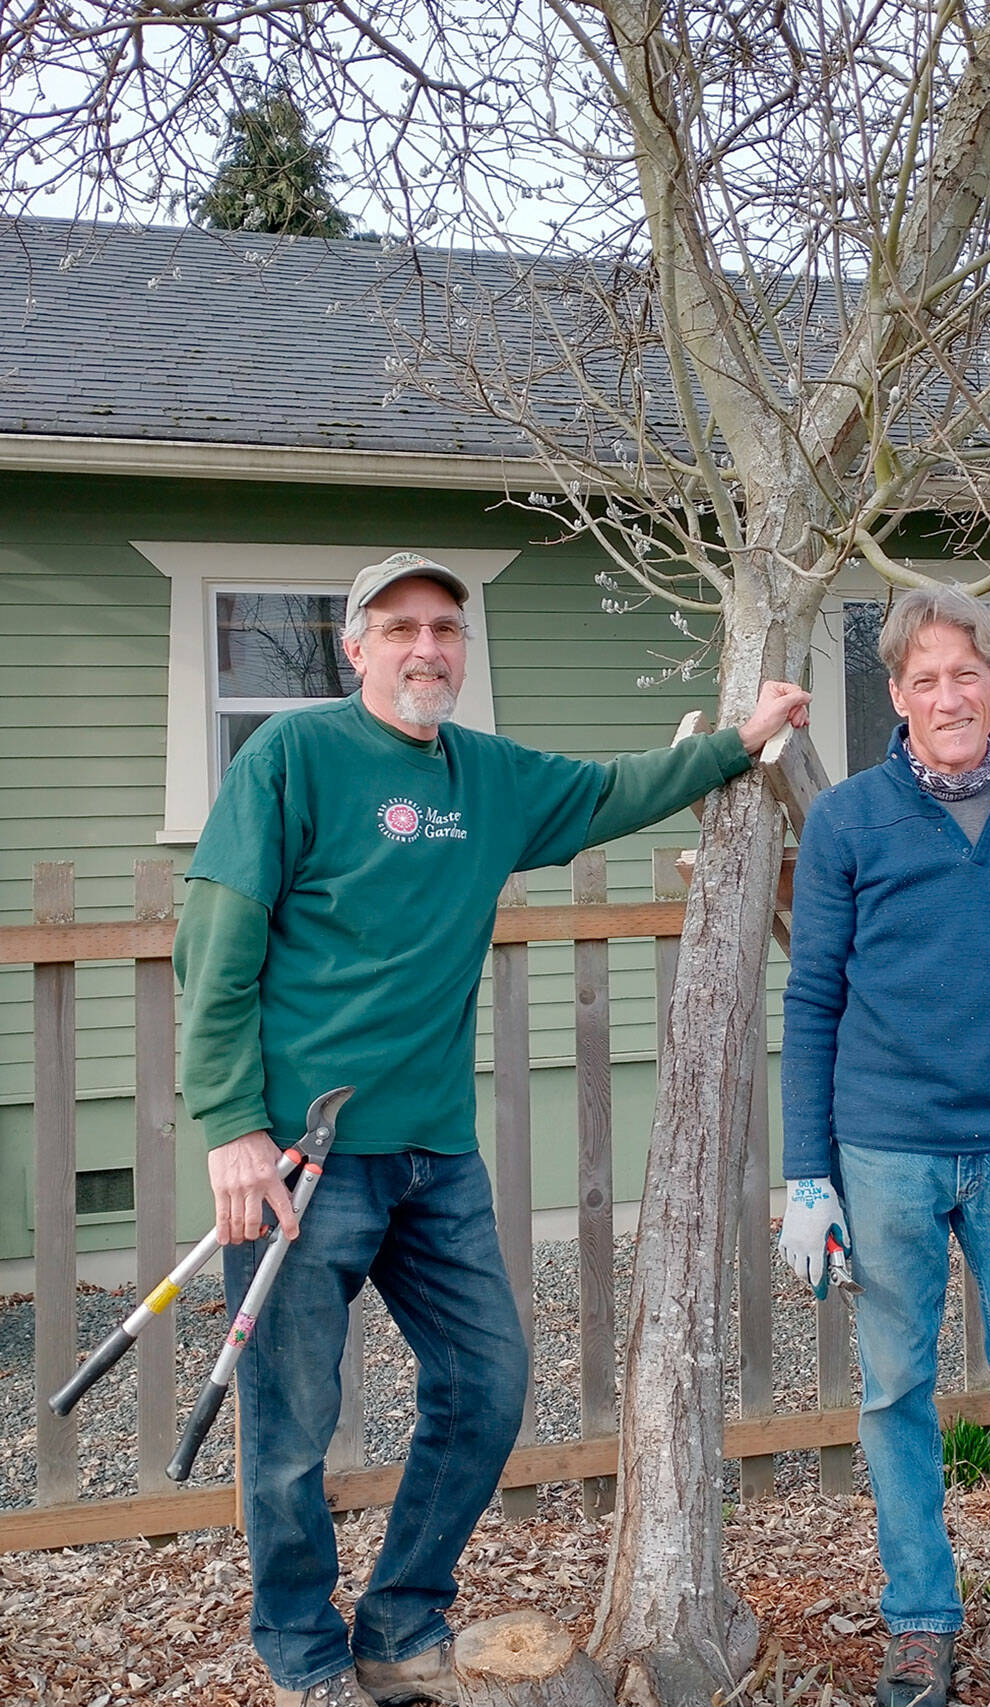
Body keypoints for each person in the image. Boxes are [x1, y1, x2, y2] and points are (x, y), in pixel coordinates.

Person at [173, 550, 810, 1707]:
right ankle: (301, 1655)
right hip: (301, 1159)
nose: (427, 648)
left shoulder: (487, 781)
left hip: (432, 1154)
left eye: (446, 630)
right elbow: (216, 946)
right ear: (354, 646)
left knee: (488, 1381)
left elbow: (620, 789)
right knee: (288, 1430)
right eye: (401, 627)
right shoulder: (293, 760)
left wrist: (737, 738)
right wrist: (229, 1126)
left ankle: (400, 1620)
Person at [778, 585, 990, 1707]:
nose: (946, 696)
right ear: (895, 694)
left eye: (963, 673)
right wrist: (806, 1178)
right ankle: (919, 1623)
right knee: (895, 1392)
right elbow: (811, 1001)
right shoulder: (846, 823)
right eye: (922, 679)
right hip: (885, 1152)